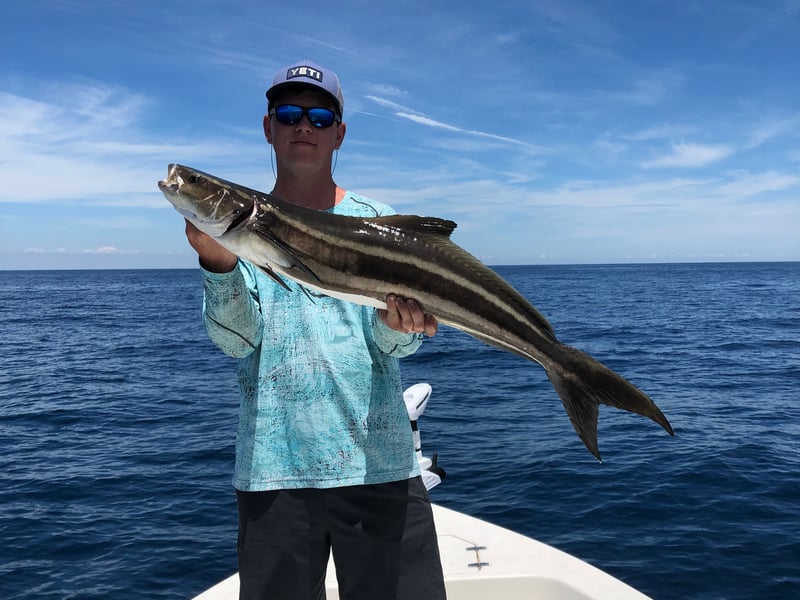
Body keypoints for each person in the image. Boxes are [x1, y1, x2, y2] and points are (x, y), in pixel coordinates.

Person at [183, 60, 447, 600]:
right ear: (268, 127)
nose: (304, 125)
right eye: (288, 113)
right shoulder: (234, 234)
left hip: (380, 466)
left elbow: (399, 344)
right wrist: (218, 263)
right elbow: (236, 341)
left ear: (339, 134)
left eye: (319, 117)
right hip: (274, 471)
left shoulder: (378, 219)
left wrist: (399, 326)